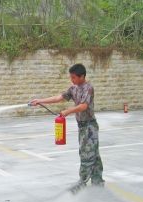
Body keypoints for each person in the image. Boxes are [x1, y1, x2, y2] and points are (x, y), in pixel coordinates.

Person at [29, 63, 104, 193]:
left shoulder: (88, 88)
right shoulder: (73, 88)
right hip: (82, 126)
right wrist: (40, 101)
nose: (72, 80)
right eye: (71, 77)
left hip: (90, 126)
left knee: (86, 154)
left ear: (82, 76)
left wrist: (68, 111)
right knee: (93, 154)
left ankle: (82, 181)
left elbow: (83, 106)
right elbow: (59, 98)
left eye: (74, 77)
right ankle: (98, 182)